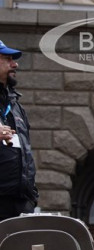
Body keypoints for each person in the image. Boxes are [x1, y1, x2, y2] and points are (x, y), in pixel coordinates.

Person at [0, 40, 37, 221]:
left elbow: (26, 151)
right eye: (8, 59)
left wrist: (32, 195)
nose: (15, 64)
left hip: (21, 203)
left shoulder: (15, 105)